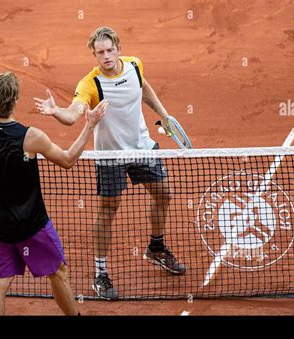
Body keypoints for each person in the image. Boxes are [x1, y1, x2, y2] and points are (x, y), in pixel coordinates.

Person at [34, 27, 186, 301]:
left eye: (109, 50)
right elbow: (74, 114)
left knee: (164, 194)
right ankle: (100, 274)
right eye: (99, 53)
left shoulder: (134, 65)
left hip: (141, 147)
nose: (105, 57)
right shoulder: (90, 84)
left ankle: (156, 248)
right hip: (110, 156)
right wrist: (57, 112)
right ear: (94, 55)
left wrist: (163, 114)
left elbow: (143, 85)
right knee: (107, 212)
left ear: (118, 48)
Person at [0, 71, 107, 314]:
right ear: (15, 100)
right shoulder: (31, 137)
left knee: (0, 282)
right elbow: (68, 159)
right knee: (58, 273)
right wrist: (90, 125)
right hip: (31, 225)